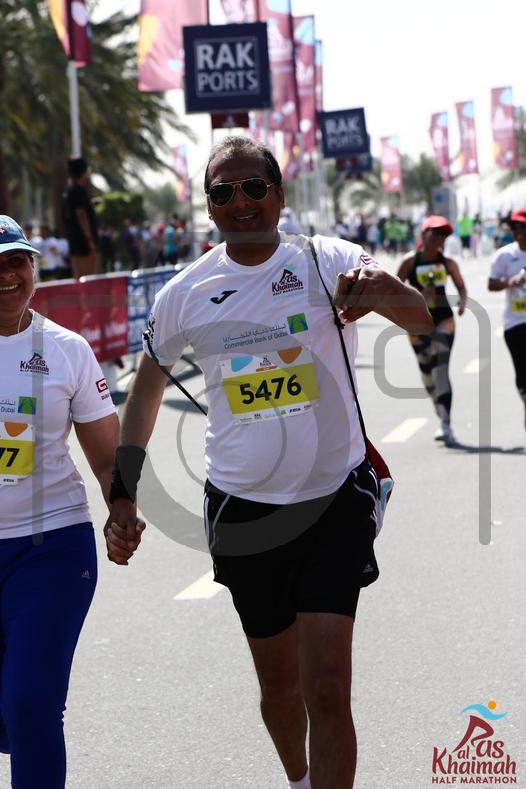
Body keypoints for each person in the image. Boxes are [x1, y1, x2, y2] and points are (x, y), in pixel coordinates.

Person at [105, 136, 432, 789]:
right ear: (209, 207)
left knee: (327, 687)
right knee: (280, 690)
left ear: (279, 195)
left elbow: (421, 319)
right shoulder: (185, 293)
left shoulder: (327, 260)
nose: (241, 202)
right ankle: (299, 778)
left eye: (254, 187)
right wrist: (123, 493)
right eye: (223, 192)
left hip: (334, 500)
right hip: (243, 512)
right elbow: (144, 393)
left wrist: (384, 288)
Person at [0, 215, 143, 789]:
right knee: (9, 714)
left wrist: (121, 509)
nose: (7, 275)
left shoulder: (66, 351)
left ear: (35, 267)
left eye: (17, 261)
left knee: (31, 703)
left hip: (50, 548)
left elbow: (107, 459)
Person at [397, 215, 467, 444]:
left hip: (444, 320)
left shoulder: (448, 262)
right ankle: (438, 405)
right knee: (427, 372)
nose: (439, 238)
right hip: (417, 323)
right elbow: (394, 291)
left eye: (443, 235)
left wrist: (462, 302)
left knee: (440, 369)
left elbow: (461, 286)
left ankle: (445, 422)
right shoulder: (409, 261)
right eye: (435, 233)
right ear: (423, 234)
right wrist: (418, 295)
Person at [488, 208, 526, 428]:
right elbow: (491, 284)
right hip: (515, 323)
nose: (518, 231)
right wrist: (508, 282)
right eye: (515, 227)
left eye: (523, 226)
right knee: (522, 374)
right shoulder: (504, 255)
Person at [62, 156, 99, 279]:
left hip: (74, 240)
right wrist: (90, 240)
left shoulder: (68, 190)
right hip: (83, 242)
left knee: (78, 278)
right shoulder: (78, 190)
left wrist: (90, 205)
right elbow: (81, 215)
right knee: (88, 279)